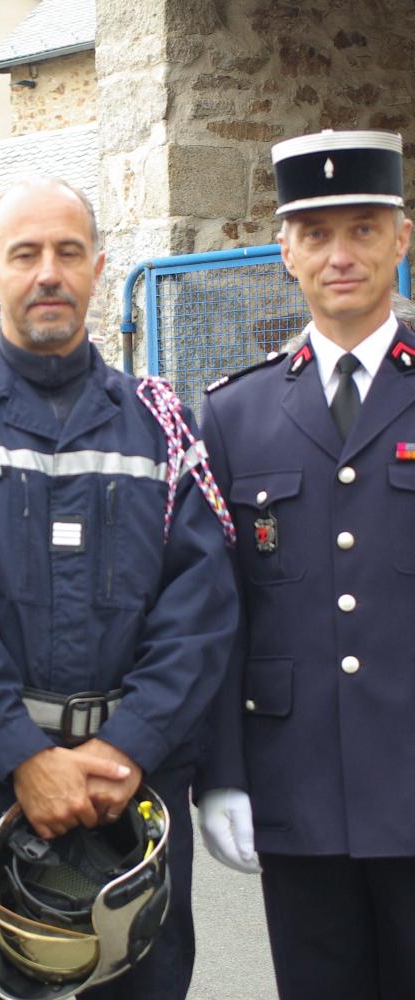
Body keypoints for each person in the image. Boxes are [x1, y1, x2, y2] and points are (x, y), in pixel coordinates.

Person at [0, 176, 239, 1000]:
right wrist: (25, 757)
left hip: (136, 784)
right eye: (25, 254)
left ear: (98, 269)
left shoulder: (162, 426)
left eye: (68, 253)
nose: (48, 272)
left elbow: (202, 602)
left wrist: (129, 745)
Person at [197, 129, 415, 1000]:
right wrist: (221, 775)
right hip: (298, 791)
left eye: (364, 228)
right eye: (317, 234)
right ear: (284, 250)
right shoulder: (235, 416)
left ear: (403, 238)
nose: (341, 255)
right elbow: (217, 612)